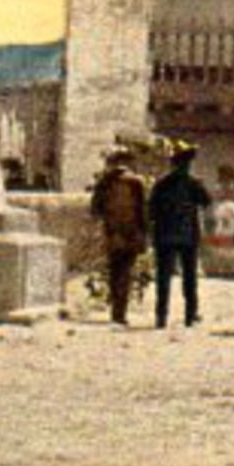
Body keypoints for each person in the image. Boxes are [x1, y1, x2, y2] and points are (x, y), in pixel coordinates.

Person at [149, 140, 211, 329]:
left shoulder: (161, 185)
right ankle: (190, 316)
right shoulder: (193, 184)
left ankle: (161, 317)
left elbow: (151, 210)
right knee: (189, 277)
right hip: (188, 236)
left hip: (165, 236)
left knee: (163, 278)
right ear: (187, 164)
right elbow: (206, 201)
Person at [90, 147, 148, 326]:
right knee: (126, 272)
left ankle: (115, 312)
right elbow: (143, 211)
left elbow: (95, 209)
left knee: (115, 271)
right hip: (131, 232)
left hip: (112, 232)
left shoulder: (104, 182)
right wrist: (144, 233)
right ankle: (120, 313)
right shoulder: (136, 182)